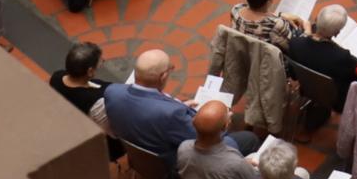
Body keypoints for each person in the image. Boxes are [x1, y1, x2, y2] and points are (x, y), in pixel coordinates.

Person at [92, 50, 255, 168]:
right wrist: (222, 123)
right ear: (163, 76)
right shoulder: (171, 114)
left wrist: (182, 107)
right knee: (248, 139)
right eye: (170, 69)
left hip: (139, 157)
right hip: (171, 164)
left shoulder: (112, 92)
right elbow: (207, 140)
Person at [287, 4, 357, 128]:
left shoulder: (296, 43)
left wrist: (307, 33)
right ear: (337, 33)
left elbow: (293, 74)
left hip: (306, 86)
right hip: (335, 98)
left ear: (316, 20)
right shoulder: (342, 57)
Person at [178, 100, 261, 179]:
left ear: (193, 122)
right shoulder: (236, 164)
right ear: (225, 126)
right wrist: (247, 164)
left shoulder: (183, 148)